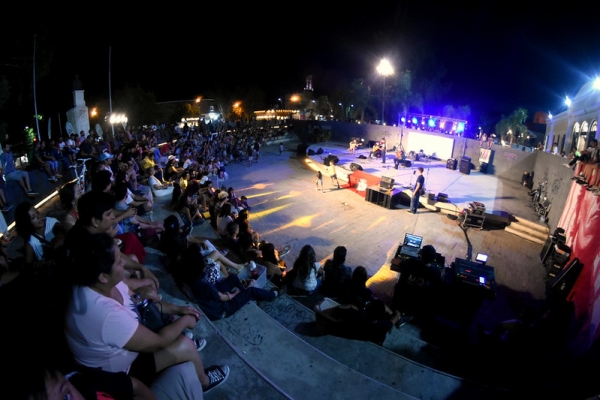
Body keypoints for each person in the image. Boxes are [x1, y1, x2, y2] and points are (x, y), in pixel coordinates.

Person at [63, 233, 230, 394]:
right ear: (103, 276)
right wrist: (185, 320)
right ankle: (204, 382)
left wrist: (179, 309)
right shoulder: (103, 314)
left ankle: (179, 338)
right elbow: (158, 342)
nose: (124, 261)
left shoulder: (96, 282)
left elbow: (137, 300)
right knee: (185, 344)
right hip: (121, 373)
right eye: (119, 261)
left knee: (151, 299)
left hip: (123, 344)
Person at [172, 243, 280, 321]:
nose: (205, 264)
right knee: (251, 290)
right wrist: (235, 293)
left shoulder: (187, 274)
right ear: (198, 267)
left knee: (233, 277)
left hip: (211, 299)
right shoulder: (203, 284)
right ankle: (273, 295)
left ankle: (250, 297)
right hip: (221, 310)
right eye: (202, 262)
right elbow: (222, 297)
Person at [391, 244, 443, 326]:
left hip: (402, 297)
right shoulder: (436, 272)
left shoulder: (410, 262)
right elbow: (437, 287)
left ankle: (399, 312)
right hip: (417, 302)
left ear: (420, 255)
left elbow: (395, 262)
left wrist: (397, 261)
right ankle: (408, 315)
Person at [14, 201, 66, 269]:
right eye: (33, 217)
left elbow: (61, 237)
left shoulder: (52, 222)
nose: (38, 217)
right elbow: (28, 266)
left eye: (37, 212)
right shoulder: (30, 240)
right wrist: (39, 264)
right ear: (27, 222)